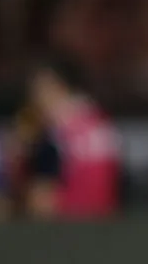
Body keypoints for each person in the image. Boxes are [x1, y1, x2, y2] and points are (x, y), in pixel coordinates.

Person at [20, 54, 121, 219]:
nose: (35, 97)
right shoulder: (101, 120)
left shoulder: (54, 131)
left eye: (39, 89)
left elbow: (41, 199)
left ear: (57, 86)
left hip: (68, 225)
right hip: (105, 224)